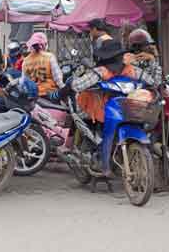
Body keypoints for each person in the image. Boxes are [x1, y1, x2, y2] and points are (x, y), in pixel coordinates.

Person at [56, 40, 155, 175]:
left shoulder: (131, 70)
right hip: (97, 109)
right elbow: (78, 85)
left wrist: (156, 86)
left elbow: (152, 81)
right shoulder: (101, 72)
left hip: (124, 109)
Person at [21, 32, 64, 98]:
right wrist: (64, 89)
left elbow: (24, 81)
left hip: (34, 96)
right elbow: (58, 79)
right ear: (44, 44)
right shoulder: (49, 57)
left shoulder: (25, 61)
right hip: (50, 94)